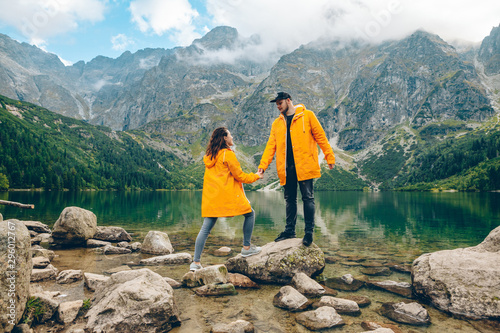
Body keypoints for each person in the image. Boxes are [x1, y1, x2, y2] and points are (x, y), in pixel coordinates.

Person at [258, 92, 335, 246]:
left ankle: (308, 233)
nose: (278, 107)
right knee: (290, 199)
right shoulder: (277, 123)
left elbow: (321, 136)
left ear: (288, 101)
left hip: (305, 165)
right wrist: (263, 166)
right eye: (277, 104)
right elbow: (270, 146)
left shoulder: (307, 116)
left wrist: (329, 156)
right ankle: (290, 230)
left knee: (308, 198)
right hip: (286, 168)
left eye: (280, 103)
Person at [190, 127, 264, 271]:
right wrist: (256, 176)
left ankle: (196, 263)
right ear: (224, 138)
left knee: (205, 228)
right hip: (226, 197)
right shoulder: (227, 155)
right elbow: (240, 176)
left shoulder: (210, 156)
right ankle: (246, 247)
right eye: (230, 135)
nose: (232, 138)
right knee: (250, 213)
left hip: (211, 199)